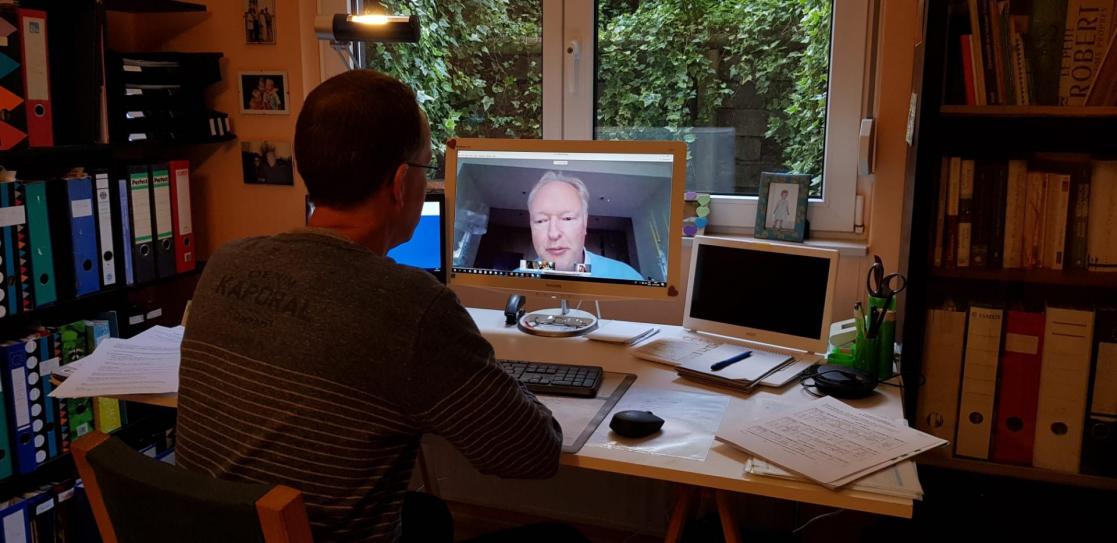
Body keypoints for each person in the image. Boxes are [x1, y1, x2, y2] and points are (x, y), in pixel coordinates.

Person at [176, 70, 571, 543]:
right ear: (400, 183)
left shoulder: (226, 264)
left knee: (427, 516)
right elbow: (531, 453)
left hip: (225, 529)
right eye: (428, 170)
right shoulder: (412, 306)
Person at [526, 172, 643, 281]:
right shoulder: (516, 282)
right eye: (541, 221)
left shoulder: (625, 276)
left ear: (585, 222)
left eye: (567, 218)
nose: (553, 234)